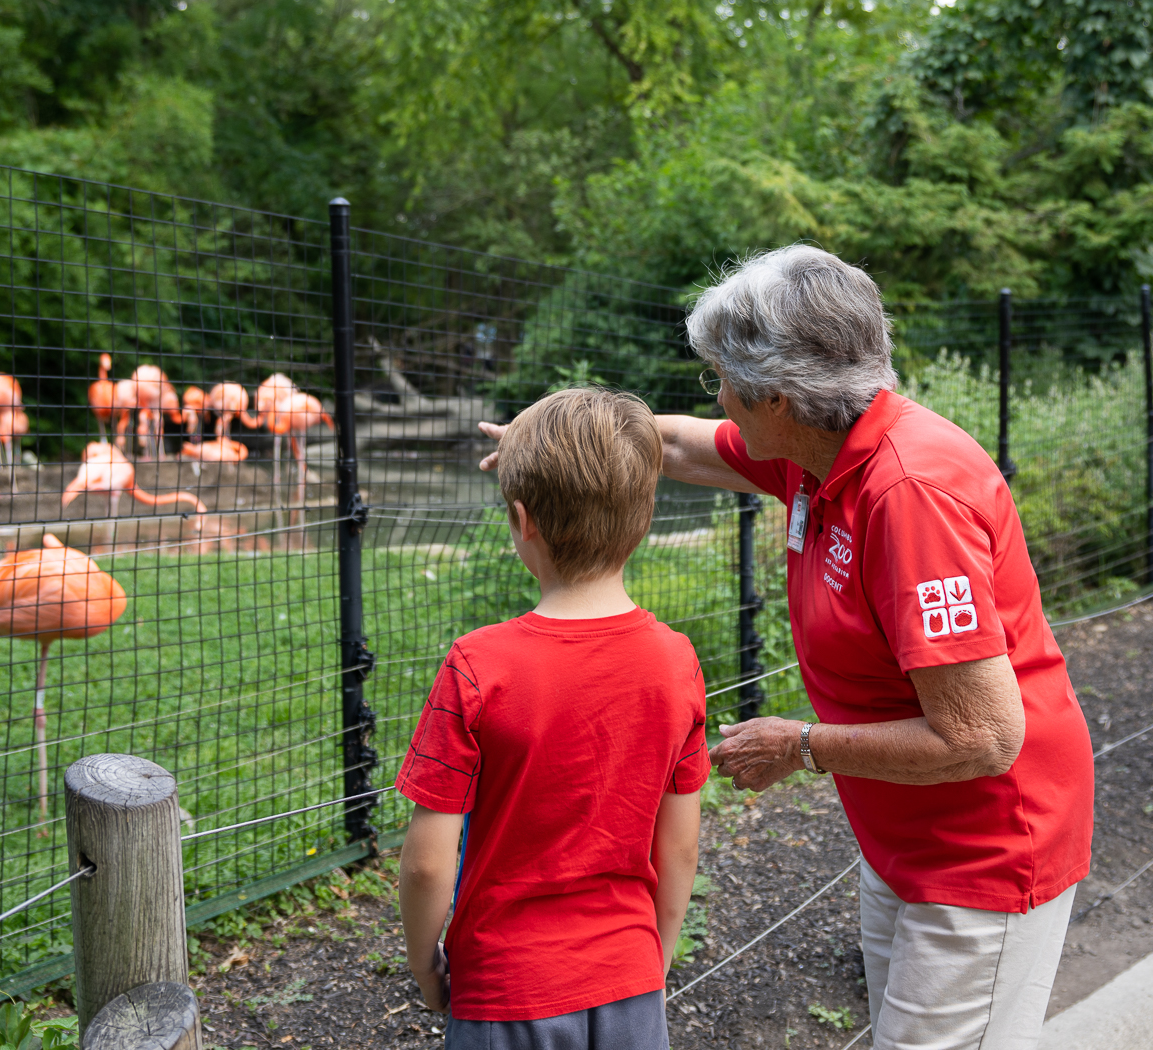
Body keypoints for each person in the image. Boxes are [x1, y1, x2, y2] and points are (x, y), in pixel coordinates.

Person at [477, 246, 1094, 1050]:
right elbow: (673, 447)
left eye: (721, 381)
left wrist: (799, 745)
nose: (718, 398)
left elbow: (982, 736)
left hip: (986, 847)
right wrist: (545, 433)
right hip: (910, 831)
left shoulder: (909, 498)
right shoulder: (819, 453)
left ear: (778, 398)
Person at [396, 386, 709, 1049]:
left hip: (505, 987)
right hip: (627, 975)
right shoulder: (675, 660)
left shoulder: (477, 665)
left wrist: (426, 966)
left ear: (521, 520)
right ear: (646, 517)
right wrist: (656, 957)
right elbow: (677, 843)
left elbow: (428, 863)